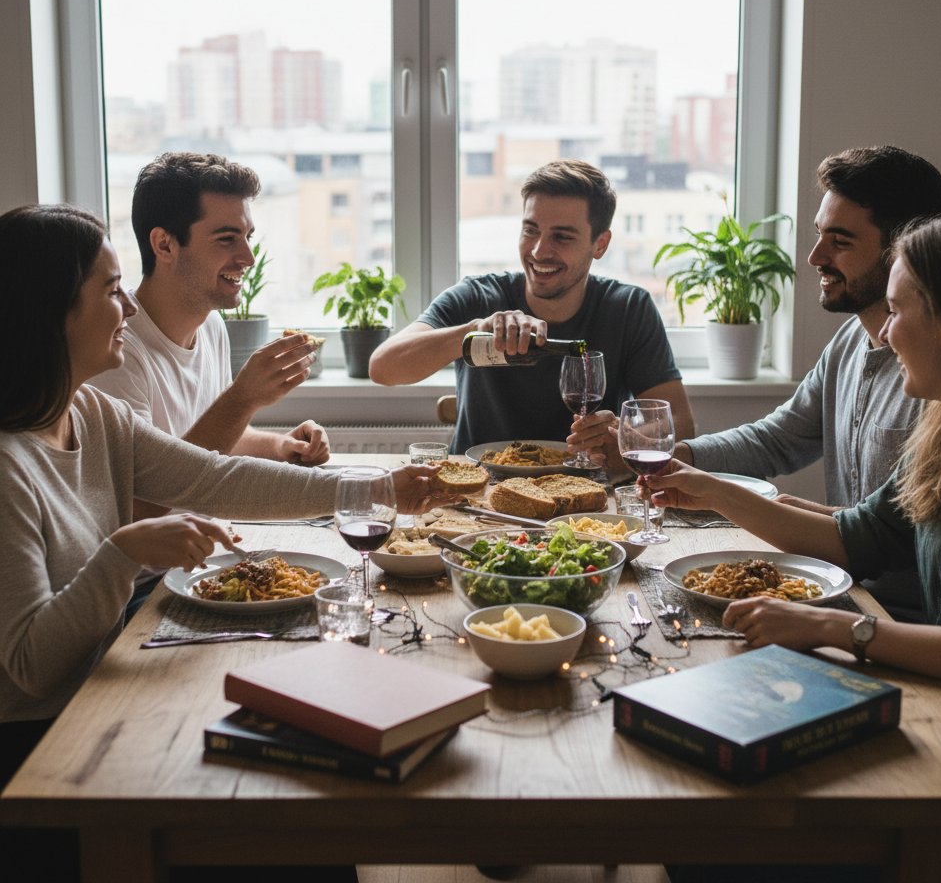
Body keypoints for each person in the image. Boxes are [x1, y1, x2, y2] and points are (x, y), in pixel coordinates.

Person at [0, 205, 442, 784]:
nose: (129, 307)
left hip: (110, 674)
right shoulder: (10, 466)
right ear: (51, 312)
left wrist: (377, 488)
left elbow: (214, 477)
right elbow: (34, 669)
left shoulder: (93, 411)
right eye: (112, 291)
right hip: (44, 744)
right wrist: (124, 551)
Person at [647, 214, 941, 758]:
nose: (885, 333)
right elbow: (859, 535)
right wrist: (715, 492)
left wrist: (834, 627)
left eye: (896, 311)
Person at [611, 145, 941, 620]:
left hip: (903, 619)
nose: (814, 256)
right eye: (818, 235)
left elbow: (888, 540)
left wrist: (720, 492)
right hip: (841, 593)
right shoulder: (850, 340)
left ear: (902, 251)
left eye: (841, 241)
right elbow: (779, 438)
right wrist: (679, 458)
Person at [369, 158, 695, 457]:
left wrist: (622, 434)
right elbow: (382, 368)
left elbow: (680, 422)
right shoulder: (475, 297)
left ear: (600, 244)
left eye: (562, 237)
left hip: (586, 493)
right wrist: (473, 331)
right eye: (531, 230)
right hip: (479, 491)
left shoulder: (628, 308)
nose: (539, 251)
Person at [91, 151, 330, 526]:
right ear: (165, 245)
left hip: (210, 549)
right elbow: (144, 502)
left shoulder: (211, 326)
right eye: (226, 239)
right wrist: (242, 399)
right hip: (150, 578)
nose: (248, 257)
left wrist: (281, 446)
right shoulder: (116, 353)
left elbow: (212, 438)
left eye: (247, 237)